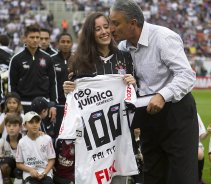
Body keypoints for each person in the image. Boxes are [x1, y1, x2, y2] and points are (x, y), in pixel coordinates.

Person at [109, 1, 198, 183]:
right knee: (153, 175)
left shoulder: (163, 38)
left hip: (176, 115)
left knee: (181, 177)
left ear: (133, 23)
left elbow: (187, 75)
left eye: (115, 23)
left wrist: (162, 95)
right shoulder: (123, 47)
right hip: (148, 116)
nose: (111, 29)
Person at [60, 12, 138, 184]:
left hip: (118, 136)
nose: (104, 31)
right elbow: (74, 100)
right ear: (90, 33)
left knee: (119, 179)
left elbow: (133, 96)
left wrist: (133, 84)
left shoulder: (124, 57)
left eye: (106, 26)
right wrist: (68, 90)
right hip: (92, 140)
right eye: (97, 29)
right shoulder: (78, 61)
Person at [8, 24, 57, 123]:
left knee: (44, 136)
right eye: (32, 37)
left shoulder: (47, 58)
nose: (35, 40)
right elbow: (12, 84)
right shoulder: (16, 59)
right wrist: (15, 105)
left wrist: (52, 104)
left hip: (44, 104)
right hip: (23, 104)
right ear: (24, 39)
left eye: (37, 37)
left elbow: (53, 83)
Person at [16, 111, 55, 184]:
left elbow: (52, 159)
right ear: (24, 125)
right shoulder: (21, 142)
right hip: (28, 174)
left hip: (45, 172)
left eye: (37, 122)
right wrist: (30, 170)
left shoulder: (47, 139)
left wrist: (45, 172)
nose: (34, 125)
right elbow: (19, 164)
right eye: (31, 122)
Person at [51, 32, 73, 138]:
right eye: (63, 41)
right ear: (58, 44)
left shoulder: (77, 59)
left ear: (72, 44)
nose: (65, 44)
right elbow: (50, 83)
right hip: (57, 104)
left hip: (73, 103)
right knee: (57, 132)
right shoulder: (51, 59)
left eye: (68, 42)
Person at [0, 113, 23, 184]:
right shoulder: (2, 141)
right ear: (5, 127)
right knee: (4, 166)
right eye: (8, 126)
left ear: (20, 127)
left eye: (15, 125)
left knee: (18, 171)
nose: (11, 128)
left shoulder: (25, 140)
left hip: (22, 166)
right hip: (7, 167)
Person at [198, 113, 211, 184]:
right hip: (178, 145)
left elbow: (201, 136)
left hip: (193, 145)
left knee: (199, 153)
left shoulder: (196, 115)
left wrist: (207, 132)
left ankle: (198, 179)